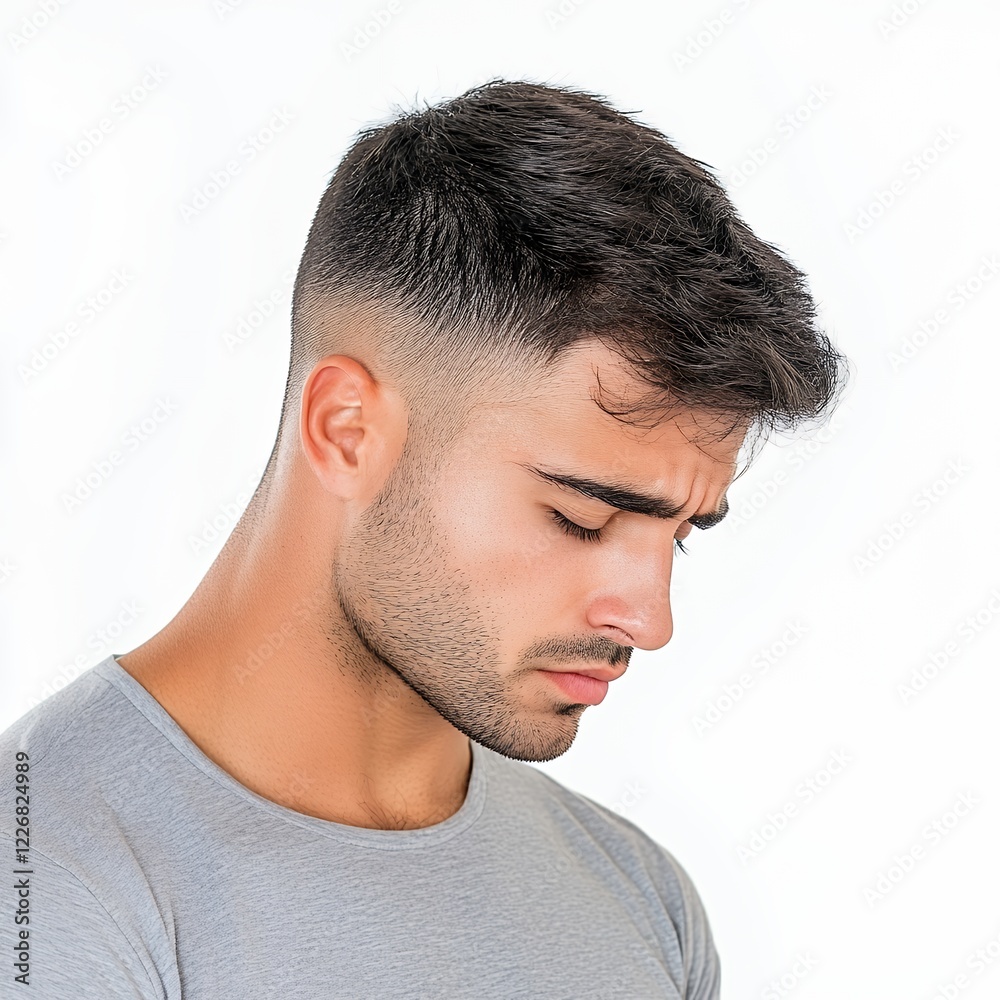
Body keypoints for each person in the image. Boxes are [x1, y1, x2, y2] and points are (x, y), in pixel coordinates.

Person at [1, 78, 847, 998]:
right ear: (348, 431)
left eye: (679, 537)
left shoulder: (643, 902)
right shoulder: (47, 881)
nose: (648, 619)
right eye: (582, 519)